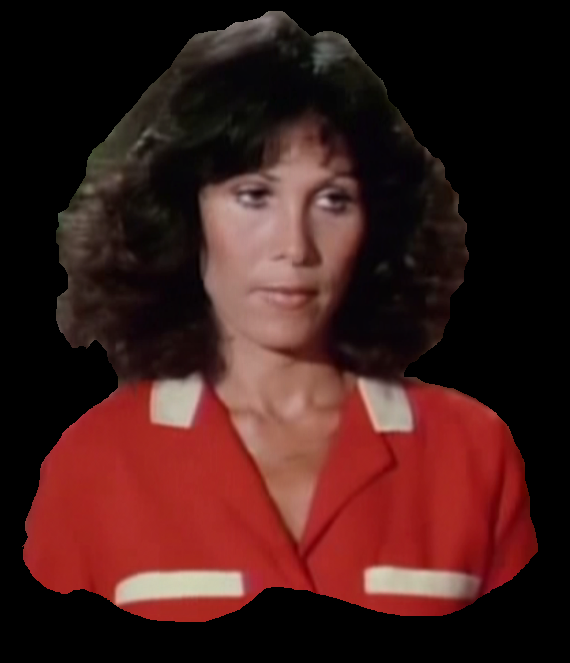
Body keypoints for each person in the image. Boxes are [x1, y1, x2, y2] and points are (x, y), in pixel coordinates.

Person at [31, 12, 535, 619]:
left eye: (333, 200)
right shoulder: (96, 462)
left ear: (377, 224)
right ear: (185, 214)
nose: (295, 247)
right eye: (255, 196)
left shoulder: (471, 453)